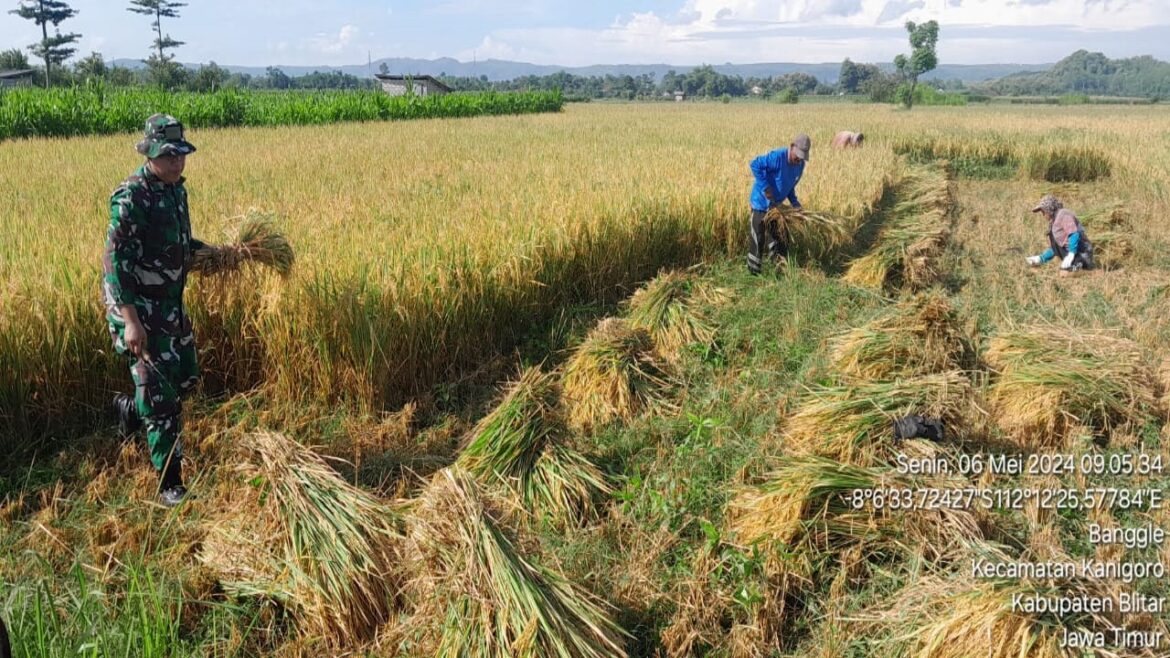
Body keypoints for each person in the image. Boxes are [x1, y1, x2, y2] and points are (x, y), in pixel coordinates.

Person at [103, 114, 205, 507]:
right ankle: (169, 483)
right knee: (161, 397)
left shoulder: (175, 190)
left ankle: (130, 411)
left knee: (184, 380)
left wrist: (217, 254)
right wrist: (130, 321)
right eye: (169, 156)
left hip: (169, 305)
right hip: (138, 307)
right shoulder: (132, 196)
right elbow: (115, 263)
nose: (177, 163)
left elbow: (177, 241)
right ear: (150, 154)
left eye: (181, 155)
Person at [747, 134, 810, 275]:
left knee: (782, 237)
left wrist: (795, 203)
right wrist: (765, 187)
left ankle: (779, 269)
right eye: (797, 155)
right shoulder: (777, 157)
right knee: (758, 238)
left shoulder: (799, 166)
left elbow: (789, 185)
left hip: (775, 206)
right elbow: (755, 164)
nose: (799, 159)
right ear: (791, 146)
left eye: (802, 157)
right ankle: (754, 274)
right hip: (760, 203)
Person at [1025, 194, 1094, 273]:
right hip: (1072, 254)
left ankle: (1081, 265)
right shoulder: (1054, 222)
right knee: (1063, 270)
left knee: (1064, 273)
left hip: (1082, 254)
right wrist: (1041, 258)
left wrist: (1071, 254)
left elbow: (1074, 234)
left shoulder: (1064, 215)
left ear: (1049, 208)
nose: (1043, 215)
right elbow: (1056, 247)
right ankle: (1073, 264)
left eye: (1043, 212)